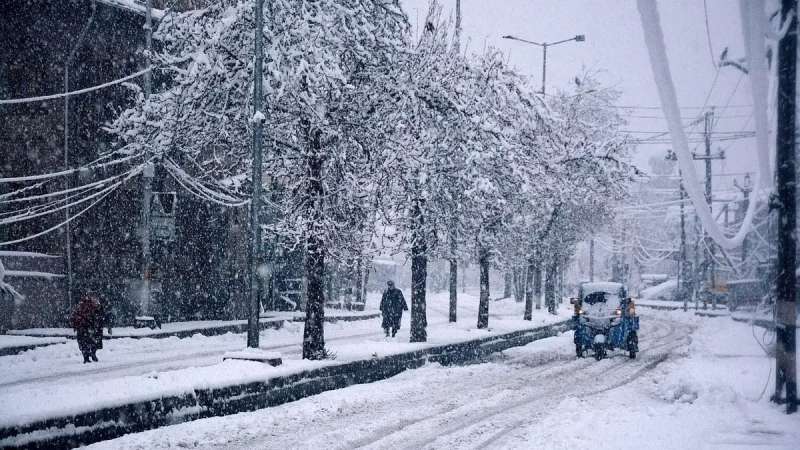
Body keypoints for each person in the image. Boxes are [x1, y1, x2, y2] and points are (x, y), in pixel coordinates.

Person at [69, 293, 105, 363]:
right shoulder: (90, 305)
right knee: (91, 341)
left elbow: (74, 316)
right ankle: (91, 354)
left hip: (83, 327)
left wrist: (76, 325)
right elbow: (98, 314)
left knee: (84, 343)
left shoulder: (81, 306)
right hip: (88, 327)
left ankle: (87, 357)